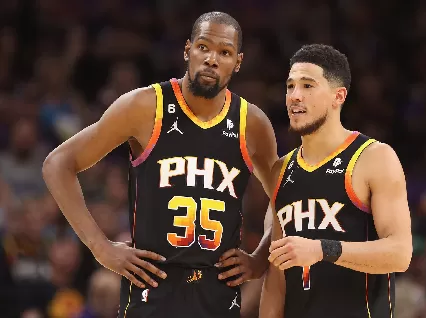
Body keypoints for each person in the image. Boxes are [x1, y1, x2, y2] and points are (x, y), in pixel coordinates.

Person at [42, 12, 278, 318]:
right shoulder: (145, 106)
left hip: (218, 297)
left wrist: (260, 257)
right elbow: (57, 164)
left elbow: (284, 197)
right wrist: (99, 246)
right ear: (187, 50)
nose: (211, 59)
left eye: (225, 52)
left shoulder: (253, 124)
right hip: (152, 295)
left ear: (238, 62)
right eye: (203, 47)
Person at [260, 44, 413, 318]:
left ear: (338, 96)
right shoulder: (280, 170)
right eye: (290, 86)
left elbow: (400, 253)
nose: (295, 96)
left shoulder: (374, 157)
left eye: (307, 86)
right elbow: (276, 278)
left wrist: (323, 249)